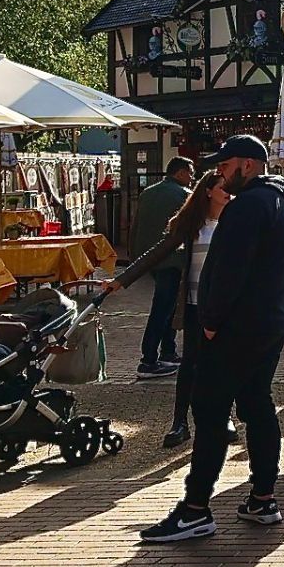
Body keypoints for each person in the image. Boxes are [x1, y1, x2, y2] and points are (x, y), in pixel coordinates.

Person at [141, 134, 284, 543]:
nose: (220, 173)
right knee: (256, 403)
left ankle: (196, 508)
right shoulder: (283, 203)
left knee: (210, 409)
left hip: (237, 327)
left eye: (226, 165)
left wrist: (210, 320)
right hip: (270, 323)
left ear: (247, 165)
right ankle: (263, 497)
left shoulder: (246, 207)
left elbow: (229, 270)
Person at [109, 176, 236, 449]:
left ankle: (224, 417)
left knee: (224, 364)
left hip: (224, 307)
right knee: (190, 364)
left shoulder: (235, 224)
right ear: (208, 192)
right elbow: (158, 251)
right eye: (223, 187)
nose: (229, 193)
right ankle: (180, 422)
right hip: (193, 304)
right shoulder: (191, 225)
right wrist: (123, 280)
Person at [129, 157, 192, 380]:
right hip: (173, 258)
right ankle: (148, 359)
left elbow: (135, 226)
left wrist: (135, 253)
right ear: (181, 172)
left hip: (151, 258)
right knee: (163, 308)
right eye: (190, 173)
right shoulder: (184, 195)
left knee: (168, 306)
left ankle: (168, 351)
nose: (192, 178)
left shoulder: (148, 193)